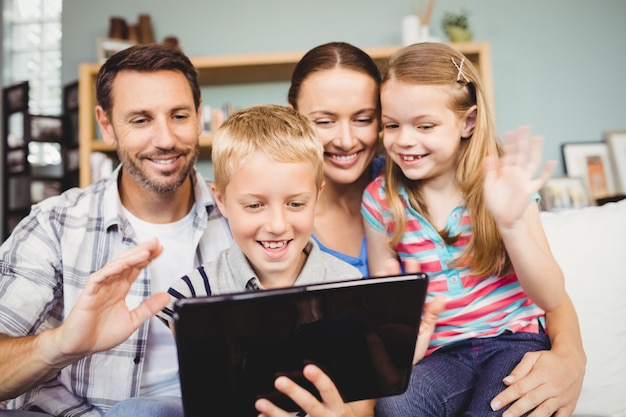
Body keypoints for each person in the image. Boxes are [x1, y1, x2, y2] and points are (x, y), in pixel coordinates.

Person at [289, 41, 586, 417]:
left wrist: (511, 225)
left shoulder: (497, 186)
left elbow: (552, 297)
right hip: (441, 353)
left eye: (365, 119)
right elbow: (386, 298)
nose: (405, 140)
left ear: (468, 121)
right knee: (396, 406)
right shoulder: (379, 200)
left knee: (498, 406)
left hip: (511, 340)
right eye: (393, 125)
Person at [0, 43, 233, 416]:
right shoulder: (53, 224)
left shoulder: (246, 217)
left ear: (199, 114)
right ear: (106, 125)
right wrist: (62, 345)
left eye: (178, 115)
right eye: (140, 120)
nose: (166, 139)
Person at [287, 41, 384, 277]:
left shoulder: (409, 184)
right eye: (324, 122)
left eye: (363, 119)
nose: (346, 141)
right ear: (293, 118)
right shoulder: (279, 218)